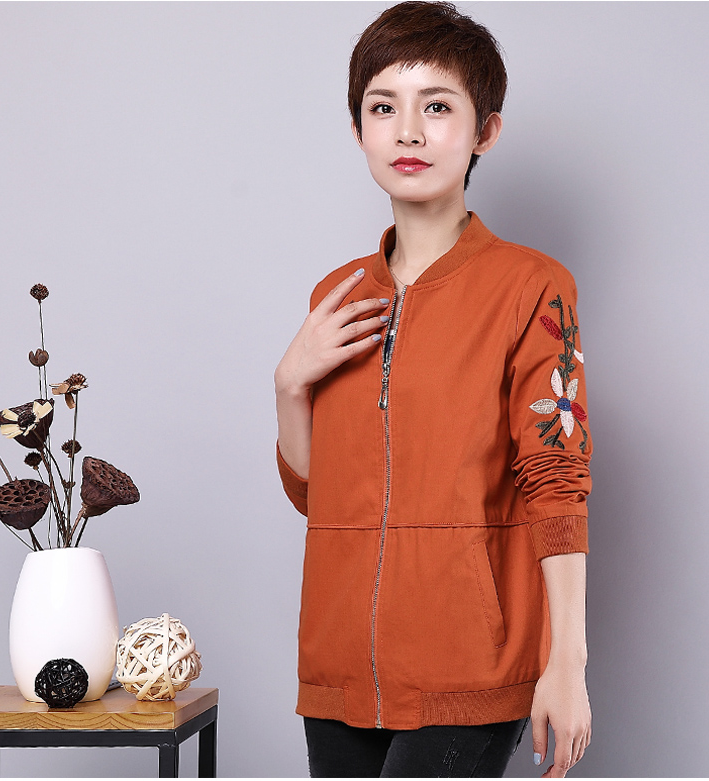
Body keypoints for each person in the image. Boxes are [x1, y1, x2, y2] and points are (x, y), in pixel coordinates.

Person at [274, 2, 592, 777]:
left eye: (438, 107)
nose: (408, 132)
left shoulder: (532, 287)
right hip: (338, 669)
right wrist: (288, 384)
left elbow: (556, 478)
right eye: (383, 107)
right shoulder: (337, 296)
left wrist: (567, 663)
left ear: (486, 131)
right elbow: (320, 493)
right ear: (359, 130)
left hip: (473, 667)